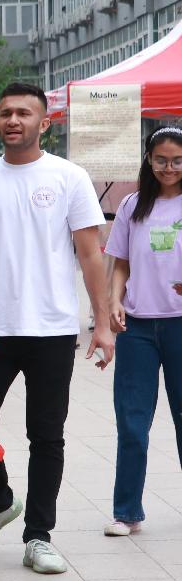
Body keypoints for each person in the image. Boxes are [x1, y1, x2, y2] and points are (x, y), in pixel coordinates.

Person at [0, 82, 114, 574]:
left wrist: (102, 324)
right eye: (5, 113)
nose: (13, 120)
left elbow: (90, 254)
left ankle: (38, 537)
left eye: (23, 113)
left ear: (44, 123)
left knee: (46, 436)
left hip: (52, 329)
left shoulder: (69, 177)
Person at [103, 127, 182, 536]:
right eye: (161, 160)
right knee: (132, 423)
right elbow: (120, 263)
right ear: (149, 160)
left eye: (178, 160)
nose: (169, 167)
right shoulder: (132, 205)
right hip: (136, 329)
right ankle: (126, 511)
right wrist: (114, 302)